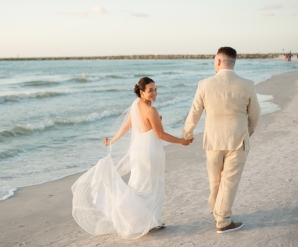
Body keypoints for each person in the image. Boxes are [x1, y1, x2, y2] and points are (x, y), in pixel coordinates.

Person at [72, 77, 193, 239]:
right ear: (142, 92)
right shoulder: (152, 111)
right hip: (150, 151)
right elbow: (160, 134)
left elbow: (127, 125)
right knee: (152, 185)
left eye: (155, 89)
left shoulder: (136, 105)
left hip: (138, 151)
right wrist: (182, 141)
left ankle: (147, 221)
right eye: (150, 90)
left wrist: (112, 140)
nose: (154, 93)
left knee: (139, 185)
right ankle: (148, 221)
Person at [182, 47, 261, 234]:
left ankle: (217, 212)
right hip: (238, 139)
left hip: (213, 140)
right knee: (229, 181)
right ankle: (223, 220)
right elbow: (256, 114)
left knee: (215, 181)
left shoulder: (204, 84)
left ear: (218, 61)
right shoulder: (247, 84)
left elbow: (194, 112)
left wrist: (187, 134)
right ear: (233, 62)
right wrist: (248, 131)